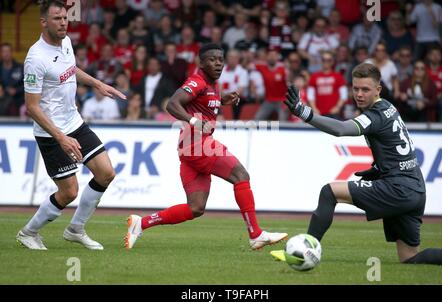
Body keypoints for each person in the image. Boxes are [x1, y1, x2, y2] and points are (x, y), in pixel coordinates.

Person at [279, 62, 442, 265]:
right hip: (415, 189)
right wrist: (378, 169)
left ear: (378, 89)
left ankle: (305, 251)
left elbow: (341, 129)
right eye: (356, 88)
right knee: (410, 258)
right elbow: (395, 148)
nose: (359, 94)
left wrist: (303, 112)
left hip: (398, 188)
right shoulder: (388, 107)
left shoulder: (374, 115)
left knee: (329, 192)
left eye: (365, 89)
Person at [124, 43, 287, 250]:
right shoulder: (197, 81)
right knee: (241, 175)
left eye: (220, 59)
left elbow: (204, 102)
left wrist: (222, 101)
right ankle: (255, 234)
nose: (218, 63)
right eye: (212, 59)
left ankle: (141, 223)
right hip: (197, 145)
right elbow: (172, 104)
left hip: (189, 149)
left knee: (196, 208)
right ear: (201, 63)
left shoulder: (212, 84)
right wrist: (193, 121)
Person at [16, 0, 126, 250]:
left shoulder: (66, 42)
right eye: (57, 18)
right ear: (44, 22)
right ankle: (28, 232)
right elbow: (32, 107)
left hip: (74, 121)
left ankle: (76, 229)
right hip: (51, 132)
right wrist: (61, 138)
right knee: (69, 192)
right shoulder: (35, 58)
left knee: (106, 173)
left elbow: (69, 69)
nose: (63, 22)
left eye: (65, 17)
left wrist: (96, 83)